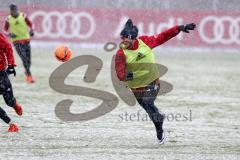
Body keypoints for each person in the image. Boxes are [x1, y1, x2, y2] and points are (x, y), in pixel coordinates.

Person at [115, 19, 196, 144]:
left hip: (152, 81)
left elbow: (164, 36)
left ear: (133, 38)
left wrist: (179, 27)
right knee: (151, 112)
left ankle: (159, 123)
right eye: (122, 38)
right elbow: (119, 73)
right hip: (136, 87)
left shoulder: (145, 42)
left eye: (126, 38)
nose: (124, 41)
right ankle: (160, 128)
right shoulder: (121, 53)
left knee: (148, 102)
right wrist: (126, 76)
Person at [4, 4, 35, 83]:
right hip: (17, 42)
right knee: (24, 58)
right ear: (10, 11)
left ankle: (27, 70)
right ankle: (29, 75)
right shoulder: (8, 19)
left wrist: (31, 30)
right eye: (12, 10)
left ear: (17, 9)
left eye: (14, 10)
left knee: (28, 60)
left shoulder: (23, 16)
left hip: (26, 40)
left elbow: (31, 24)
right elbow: (5, 30)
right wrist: (10, 34)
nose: (13, 12)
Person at [0, 33, 23, 132]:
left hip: (0, 73)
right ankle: (11, 124)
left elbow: (8, 47)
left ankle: (14, 104)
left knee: (8, 101)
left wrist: (11, 65)